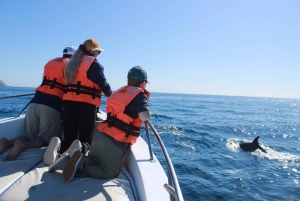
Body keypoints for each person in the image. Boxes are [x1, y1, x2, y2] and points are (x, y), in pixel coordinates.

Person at [51, 66, 151, 182]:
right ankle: (76, 170)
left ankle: (68, 159)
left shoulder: (121, 91)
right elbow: (144, 116)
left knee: (94, 159)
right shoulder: (140, 95)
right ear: (143, 83)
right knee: (108, 173)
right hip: (115, 140)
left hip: (100, 134)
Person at [0, 46, 77, 162]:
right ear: (74, 56)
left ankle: (7, 143)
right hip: (52, 103)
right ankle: (22, 146)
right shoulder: (71, 66)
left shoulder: (51, 62)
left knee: (28, 134)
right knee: (46, 137)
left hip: (35, 101)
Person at [61, 39, 112, 154]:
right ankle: (80, 158)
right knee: (85, 138)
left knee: (69, 136)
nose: (98, 55)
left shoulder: (71, 64)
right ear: (93, 52)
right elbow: (105, 86)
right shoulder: (94, 64)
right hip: (86, 106)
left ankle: (61, 150)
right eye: (98, 52)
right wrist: (112, 97)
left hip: (68, 104)